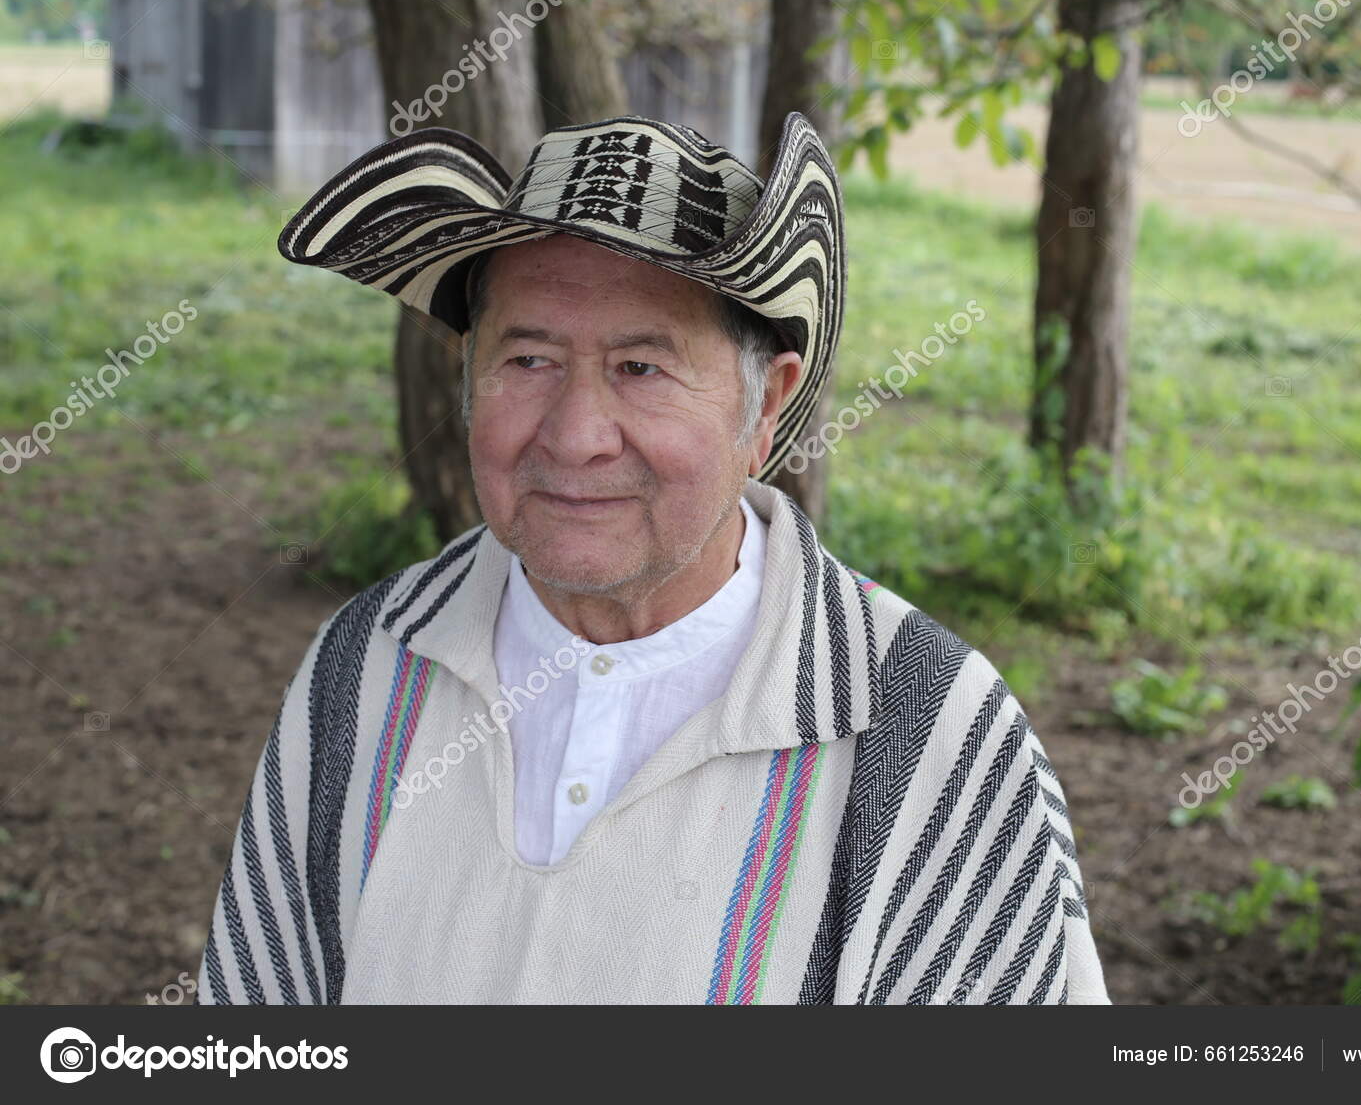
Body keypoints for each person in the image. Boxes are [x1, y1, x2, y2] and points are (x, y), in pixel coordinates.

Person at [197, 111, 1109, 1004]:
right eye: (527, 360)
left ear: (764, 409)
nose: (577, 435)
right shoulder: (365, 664)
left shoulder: (930, 736)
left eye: (641, 367)